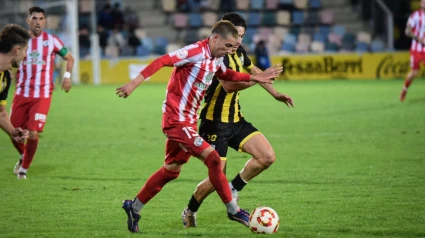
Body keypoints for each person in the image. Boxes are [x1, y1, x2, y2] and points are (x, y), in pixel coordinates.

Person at [115, 20, 283, 233]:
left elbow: (227, 75)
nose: (231, 50)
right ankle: (233, 209)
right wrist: (134, 83)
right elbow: (163, 60)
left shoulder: (217, 57)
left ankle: (134, 207)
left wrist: (255, 78)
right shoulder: (195, 51)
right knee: (213, 159)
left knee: (171, 171)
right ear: (215, 38)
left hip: (189, 121)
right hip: (176, 120)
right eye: (228, 46)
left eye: (234, 47)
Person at [181, 12, 294, 228]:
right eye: (236, 36)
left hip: (235, 119)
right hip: (214, 124)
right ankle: (190, 210)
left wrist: (275, 93)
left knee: (267, 156)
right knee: (216, 179)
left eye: (242, 36)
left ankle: (234, 188)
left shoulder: (239, 52)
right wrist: (257, 79)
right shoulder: (218, 55)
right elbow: (230, 85)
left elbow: (255, 70)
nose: (239, 41)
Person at [11, 6, 75, 180]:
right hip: (21, 93)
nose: (37, 22)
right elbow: (10, 61)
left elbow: (69, 57)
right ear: (28, 21)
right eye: (34, 18)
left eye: (41, 19)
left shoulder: (52, 41)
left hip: (43, 94)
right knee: (13, 131)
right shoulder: (19, 41)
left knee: (33, 132)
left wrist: (67, 76)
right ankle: (24, 155)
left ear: (45, 21)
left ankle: (24, 169)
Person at [0, 24, 30, 143]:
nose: (25, 55)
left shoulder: (5, 77)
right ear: (17, 50)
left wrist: (12, 131)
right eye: (25, 51)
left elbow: (1, 113)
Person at [400, 0, 425, 102]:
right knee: (414, 72)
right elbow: (407, 31)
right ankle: (404, 90)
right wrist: (419, 39)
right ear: (420, 4)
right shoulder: (415, 15)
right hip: (416, 49)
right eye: (423, 2)